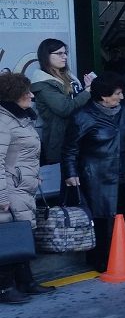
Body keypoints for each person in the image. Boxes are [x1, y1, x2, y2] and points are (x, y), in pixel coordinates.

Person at [62, 73, 125, 271]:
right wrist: (71, 174)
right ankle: (99, 257)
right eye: (118, 93)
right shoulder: (82, 117)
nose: (121, 97)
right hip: (97, 177)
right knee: (100, 218)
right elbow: (70, 149)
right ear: (103, 97)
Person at [0, 73, 55, 303]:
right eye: (26, 92)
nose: (31, 96)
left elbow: (24, 155)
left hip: (23, 187)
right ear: (13, 96)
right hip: (10, 189)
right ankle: (5, 287)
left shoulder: (20, 118)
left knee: (23, 234)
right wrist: (1, 196)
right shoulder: (3, 120)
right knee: (9, 236)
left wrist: (35, 177)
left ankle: (26, 281)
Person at [29, 39, 94, 199]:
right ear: (46, 56)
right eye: (59, 53)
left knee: (84, 186)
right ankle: (72, 221)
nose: (64, 57)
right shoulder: (43, 83)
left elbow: (77, 103)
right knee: (71, 187)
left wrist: (86, 89)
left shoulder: (68, 76)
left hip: (81, 135)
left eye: (65, 53)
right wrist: (88, 92)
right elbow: (64, 109)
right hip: (63, 140)